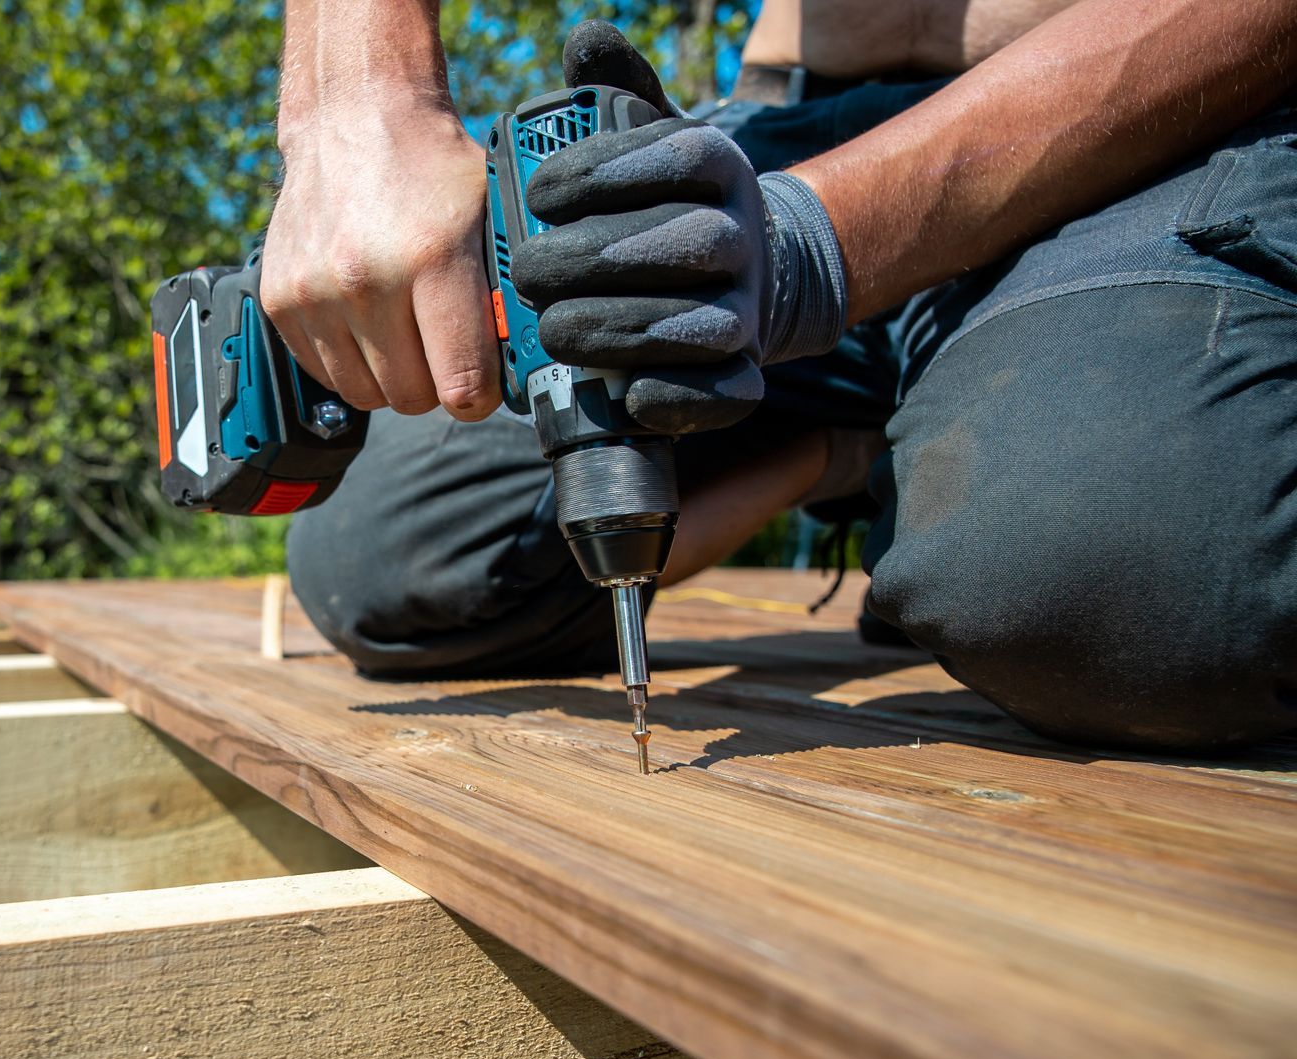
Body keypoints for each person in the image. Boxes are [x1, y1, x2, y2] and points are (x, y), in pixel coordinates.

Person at [261, 0, 1297, 751]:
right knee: (388, 561)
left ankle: (972, 429)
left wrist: (818, 246)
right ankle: (855, 448)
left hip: (1164, 112)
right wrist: (358, 98)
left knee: (1126, 565)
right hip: (787, 125)